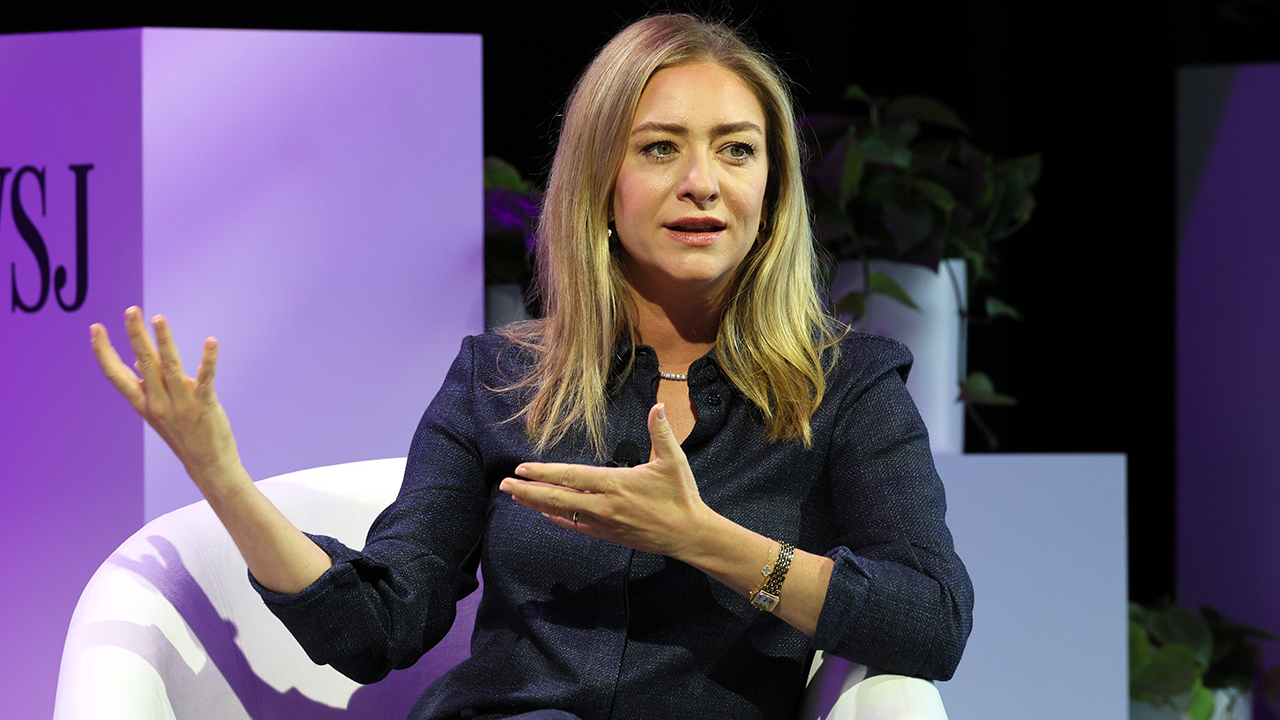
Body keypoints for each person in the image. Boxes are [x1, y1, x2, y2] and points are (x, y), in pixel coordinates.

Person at [90, 13, 972, 720]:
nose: (703, 181)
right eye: (660, 148)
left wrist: (706, 540)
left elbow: (931, 619)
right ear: (601, 186)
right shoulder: (500, 380)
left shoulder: (847, 386)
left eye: (736, 149)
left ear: (772, 194)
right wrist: (223, 479)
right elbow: (379, 626)